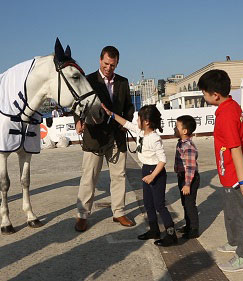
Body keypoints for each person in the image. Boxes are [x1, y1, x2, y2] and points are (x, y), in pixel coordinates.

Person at [198, 69, 243, 272]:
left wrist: (242, 181)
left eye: (204, 93)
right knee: (230, 212)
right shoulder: (230, 106)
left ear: (215, 95)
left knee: (239, 215)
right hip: (228, 174)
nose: (204, 97)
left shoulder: (227, 115)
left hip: (234, 175)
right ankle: (234, 243)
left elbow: (236, 149)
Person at [73, 46, 135, 232]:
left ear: (117, 64)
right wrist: (78, 120)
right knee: (89, 177)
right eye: (106, 64)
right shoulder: (89, 80)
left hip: (116, 135)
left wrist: (126, 123)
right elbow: (78, 104)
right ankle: (82, 215)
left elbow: (129, 107)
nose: (109, 68)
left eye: (113, 65)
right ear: (100, 60)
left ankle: (119, 212)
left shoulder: (123, 82)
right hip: (94, 137)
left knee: (119, 176)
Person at [102, 103, 178, 247]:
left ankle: (170, 234)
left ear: (147, 122)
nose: (136, 122)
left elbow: (163, 160)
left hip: (156, 173)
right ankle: (154, 230)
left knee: (159, 205)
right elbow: (126, 123)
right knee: (148, 204)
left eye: (138, 119)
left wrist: (152, 176)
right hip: (146, 170)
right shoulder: (140, 132)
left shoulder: (154, 138)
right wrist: (110, 114)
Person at [173, 115, 200, 239]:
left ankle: (194, 229)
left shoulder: (188, 146)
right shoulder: (181, 143)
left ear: (185, 131)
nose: (174, 128)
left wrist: (187, 184)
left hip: (190, 178)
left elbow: (190, 167)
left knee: (190, 204)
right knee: (185, 203)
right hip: (183, 177)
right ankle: (188, 225)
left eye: (176, 126)